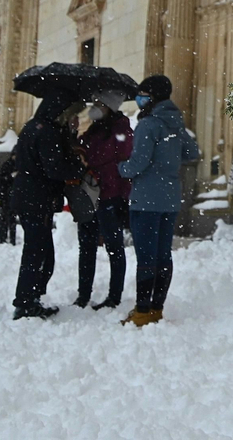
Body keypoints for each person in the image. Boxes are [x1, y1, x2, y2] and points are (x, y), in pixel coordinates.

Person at [118, 75, 199, 327]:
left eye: (143, 94)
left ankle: (142, 310)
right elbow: (192, 152)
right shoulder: (175, 122)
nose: (139, 99)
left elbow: (138, 163)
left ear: (151, 96)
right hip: (169, 198)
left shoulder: (149, 124)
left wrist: (121, 168)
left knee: (145, 256)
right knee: (163, 255)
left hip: (145, 199)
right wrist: (168, 161)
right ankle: (156, 308)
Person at [10, 91, 83, 320]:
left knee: (39, 250)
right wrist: (78, 169)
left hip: (27, 195)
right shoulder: (48, 132)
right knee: (38, 252)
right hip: (37, 197)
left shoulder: (32, 127)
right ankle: (25, 301)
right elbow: (54, 169)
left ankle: (30, 298)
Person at [75, 91, 134, 309]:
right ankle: (83, 294)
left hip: (110, 196)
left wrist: (93, 162)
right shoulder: (94, 129)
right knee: (86, 246)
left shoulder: (121, 130)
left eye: (100, 103)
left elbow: (116, 158)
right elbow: (84, 148)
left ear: (110, 106)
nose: (94, 107)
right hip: (92, 195)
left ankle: (114, 296)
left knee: (114, 247)